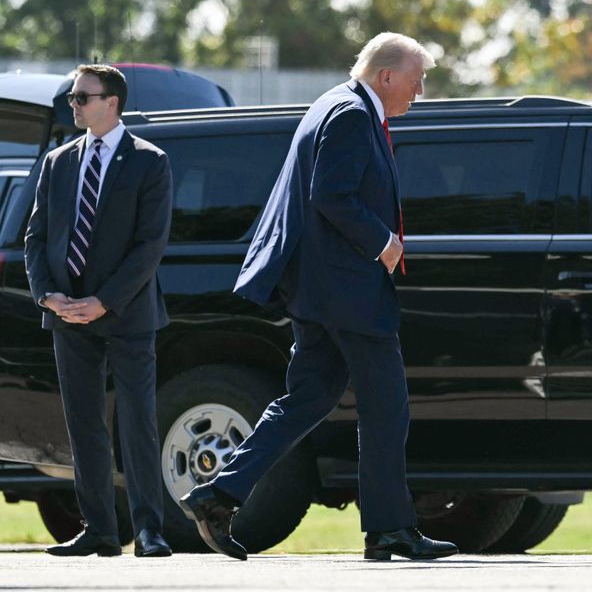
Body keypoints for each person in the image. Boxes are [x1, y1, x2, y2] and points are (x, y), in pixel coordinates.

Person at [180, 32, 458, 562]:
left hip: (320, 292)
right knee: (388, 408)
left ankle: (218, 494)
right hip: (346, 292)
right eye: (417, 82)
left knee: (306, 400)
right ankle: (390, 529)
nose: (418, 94)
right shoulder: (352, 115)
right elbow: (331, 196)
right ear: (386, 76)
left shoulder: (331, 104)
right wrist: (384, 244)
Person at [24, 64, 174, 558]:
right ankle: (100, 531)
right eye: (72, 98)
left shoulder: (150, 161)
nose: (74, 105)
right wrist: (48, 296)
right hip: (67, 314)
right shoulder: (59, 161)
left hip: (127, 314)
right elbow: (37, 237)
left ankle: (150, 530)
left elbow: (150, 246)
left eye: (82, 97)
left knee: (137, 421)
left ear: (112, 101)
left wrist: (104, 300)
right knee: (83, 423)